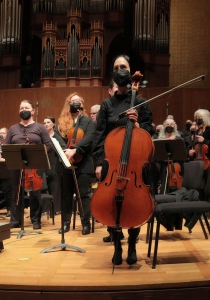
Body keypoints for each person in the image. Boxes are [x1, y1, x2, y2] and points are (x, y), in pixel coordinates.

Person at [73, 55, 154, 265]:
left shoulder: (142, 103)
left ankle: (134, 243)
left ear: (130, 70)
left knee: (136, 201)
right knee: (110, 201)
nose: (120, 70)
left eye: (124, 67)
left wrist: (138, 126)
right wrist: (100, 162)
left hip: (135, 162)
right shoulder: (107, 104)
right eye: (117, 67)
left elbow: (149, 133)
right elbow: (99, 136)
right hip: (112, 164)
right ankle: (117, 244)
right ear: (113, 74)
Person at [2, 101, 56, 229]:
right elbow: (6, 146)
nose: (24, 110)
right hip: (17, 164)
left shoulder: (40, 128)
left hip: (35, 165)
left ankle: (36, 219)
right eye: (21, 108)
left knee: (35, 192)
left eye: (27, 108)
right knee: (16, 191)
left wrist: (37, 153)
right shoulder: (13, 129)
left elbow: (49, 145)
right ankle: (15, 220)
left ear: (33, 111)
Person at [58, 93, 96, 234]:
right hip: (66, 162)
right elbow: (58, 137)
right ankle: (65, 223)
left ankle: (85, 223)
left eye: (78, 101)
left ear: (82, 104)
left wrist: (76, 150)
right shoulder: (62, 122)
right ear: (68, 104)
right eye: (72, 101)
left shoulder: (87, 122)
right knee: (66, 195)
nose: (75, 103)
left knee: (84, 195)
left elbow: (90, 137)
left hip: (83, 162)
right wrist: (66, 151)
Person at [42, 116, 64, 218]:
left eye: (48, 122)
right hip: (44, 164)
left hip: (55, 164)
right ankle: (45, 209)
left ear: (53, 125)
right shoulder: (42, 136)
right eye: (44, 123)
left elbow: (63, 149)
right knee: (44, 186)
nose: (46, 124)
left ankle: (56, 209)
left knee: (55, 186)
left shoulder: (57, 137)